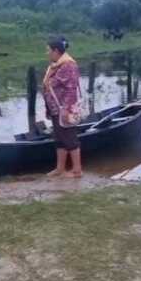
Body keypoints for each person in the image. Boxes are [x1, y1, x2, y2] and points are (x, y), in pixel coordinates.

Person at [42, 36, 83, 178]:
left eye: (48, 50)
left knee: (70, 138)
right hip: (55, 108)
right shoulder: (55, 64)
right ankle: (60, 168)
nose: (47, 53)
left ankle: (77, 170)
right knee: (59, 138)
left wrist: (66, 109)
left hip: (64, 109)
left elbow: (71, 89)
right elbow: (50, 86)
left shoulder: (68, 65)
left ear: (56, 51)